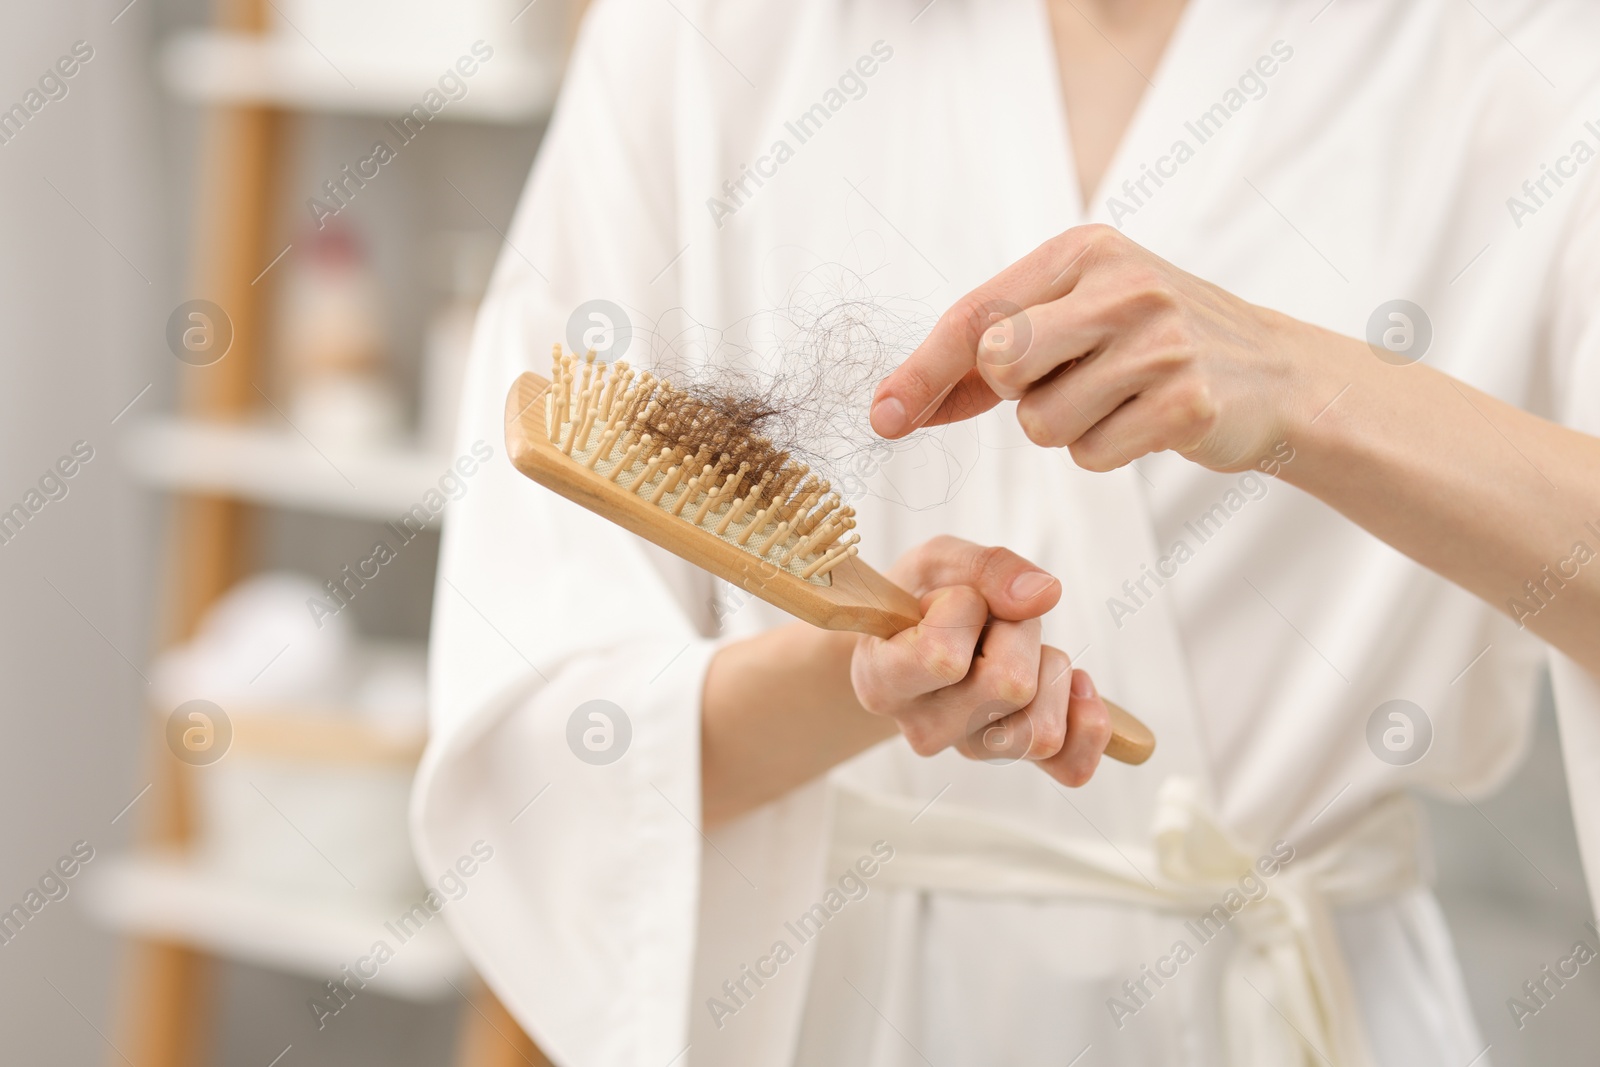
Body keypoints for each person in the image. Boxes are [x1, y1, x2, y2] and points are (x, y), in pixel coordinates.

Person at [413, 0, 1600, 1063]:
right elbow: (541, 731)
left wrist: (1303, 391)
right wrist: (865, 674)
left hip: (1306, 1007)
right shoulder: (704, 32)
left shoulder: (1530, 50)